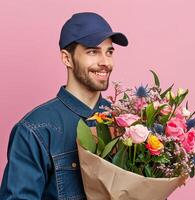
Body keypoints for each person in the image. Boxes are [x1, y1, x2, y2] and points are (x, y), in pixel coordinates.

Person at [0, 12, 128, 199]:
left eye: (109, 52)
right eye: (93, 51)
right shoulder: (34, 130)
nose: (105, 62)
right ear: (67, 58)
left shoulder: (125, 123)